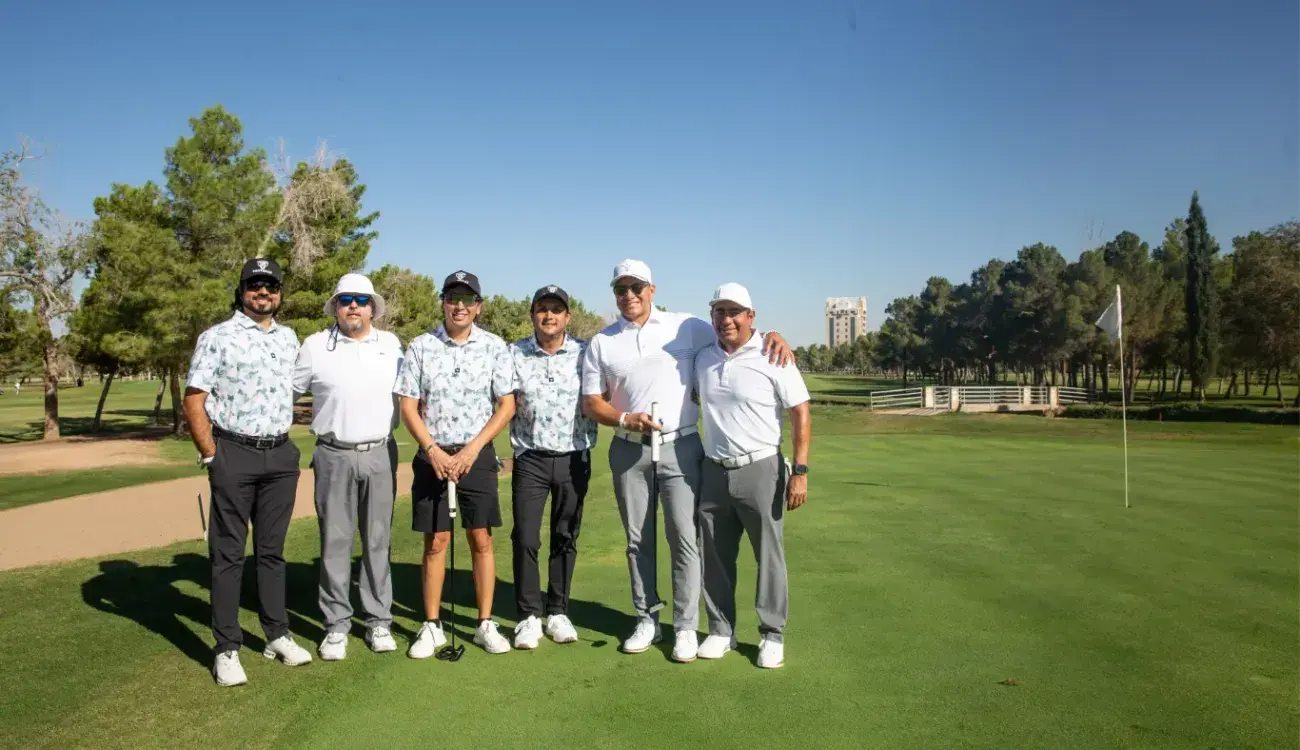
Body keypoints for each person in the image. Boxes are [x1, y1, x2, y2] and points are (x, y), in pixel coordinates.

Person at [580, 259, 792, 663]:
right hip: (628, 448)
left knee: (685, 538)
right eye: (621, 289)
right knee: (637, 541)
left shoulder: (685, 327)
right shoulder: (603, 342)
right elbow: (592, 402)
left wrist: (773, 335)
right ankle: (646, 618)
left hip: (680, 446)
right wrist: (624, 418)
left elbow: (736, 331)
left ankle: (684, 626)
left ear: (652, 290)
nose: (629, 295)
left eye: (636, 287)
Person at [183, 257, 313, 687]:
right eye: (255, 285)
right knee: (228, 554)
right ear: (241, 291)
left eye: (271, 286)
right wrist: (211, 454)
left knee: (272, 552)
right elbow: (194, 399)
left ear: (279, 293)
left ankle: (276, 634)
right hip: (233, 452)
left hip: (279, 455)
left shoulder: (289, 338)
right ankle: (227, 647)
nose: (263, 292)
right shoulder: (217, 337)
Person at [395, 270, 516, 656]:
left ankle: (484, 623)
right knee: (436, 541)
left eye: (467, 300)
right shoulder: (421, 346)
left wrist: (472, 450)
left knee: (481, 538)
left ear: (478, 306)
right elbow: (408, 406)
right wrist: (432, 450)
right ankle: (432, 626)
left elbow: (506, 405)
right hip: (432, 455)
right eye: (452, 298)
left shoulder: (494, 347)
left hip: (476, 455)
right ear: (443, 303)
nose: (459, 306)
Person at [693, 283, 811, 669]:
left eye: (734, 312)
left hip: (762, 468)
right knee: (715, 557)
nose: (726, 319)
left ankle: (771, 634)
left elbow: (800, 411)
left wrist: (800, 471)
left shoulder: (773, 354)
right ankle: (720, 630)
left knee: (769, 557)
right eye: (719, 311)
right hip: (713, 469)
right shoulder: (703, 356)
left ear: (750, 316)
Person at [293, 273, 403, 661]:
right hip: (333, 453)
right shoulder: (315, 345)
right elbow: (287, 392)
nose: (353, 305)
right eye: (345, 300)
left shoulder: (391, 344)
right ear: (335, 307)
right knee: (335, 542)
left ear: (372, 307)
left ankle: (378, 621)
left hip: (380, 453)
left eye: (361, 299)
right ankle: (336, 624)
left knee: (377, 541)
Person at [506, 285, 598, 649]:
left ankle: (557, 611)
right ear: (533, 315)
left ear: (567, 316)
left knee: (565, 535)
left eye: (556, 309)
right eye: (542, 309)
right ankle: (528, 615)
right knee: (525, 538)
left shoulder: (586, 352)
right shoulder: (514, 352)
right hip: (531, 457)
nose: (549, 315)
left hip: (574, 456)